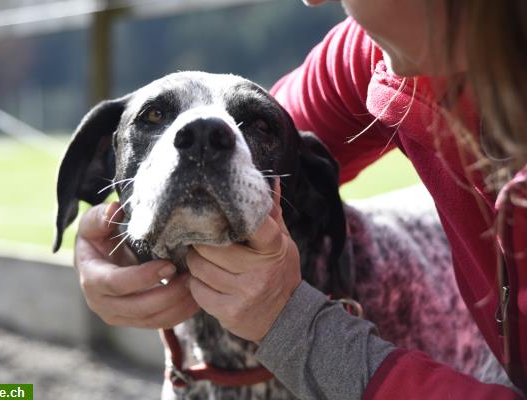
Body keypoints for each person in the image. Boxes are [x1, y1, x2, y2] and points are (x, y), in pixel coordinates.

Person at [74, 0, 527, 398]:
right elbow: (268, 122)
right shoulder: (378, 52)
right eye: (155, 119)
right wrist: (103, 240)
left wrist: (290, 320)